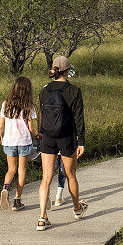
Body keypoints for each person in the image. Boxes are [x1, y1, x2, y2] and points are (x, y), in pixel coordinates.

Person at [36, 56, 87, 230]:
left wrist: (41, 134)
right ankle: (76, 209)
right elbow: (79, 117)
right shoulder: (74, 91)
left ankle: (42, 218)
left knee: (46, 178)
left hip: (48, 137)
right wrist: (81, 140)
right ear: (67, 71)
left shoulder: (44, 91)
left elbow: (42, 115)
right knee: (71, 175)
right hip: (67, 137)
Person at [0, 76, 37, 212]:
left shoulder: (6, 104)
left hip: (9, 141)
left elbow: (1, 125)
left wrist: (2, 137)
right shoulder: (29, 106)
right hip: (24, 142)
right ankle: (17, 200)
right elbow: (31, 129)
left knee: (11, 170)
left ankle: (6, 187)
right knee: (22, 171)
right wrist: (38, 135)